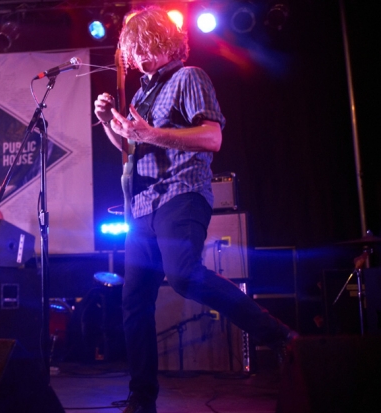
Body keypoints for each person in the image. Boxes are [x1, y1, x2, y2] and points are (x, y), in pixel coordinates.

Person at [93, 7, 297, 413]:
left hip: (182, 194)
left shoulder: (190, 77)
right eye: (129, 51)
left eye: (137, 48)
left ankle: (279, 338)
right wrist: (107, 125)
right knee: (134, 302)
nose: (132, 58)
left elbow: (212, 137)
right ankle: (141, 398)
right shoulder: (140, 94)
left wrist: (149, 132)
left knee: (183, 275)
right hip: (142, 207)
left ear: (158, 41)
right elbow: (133, 154)